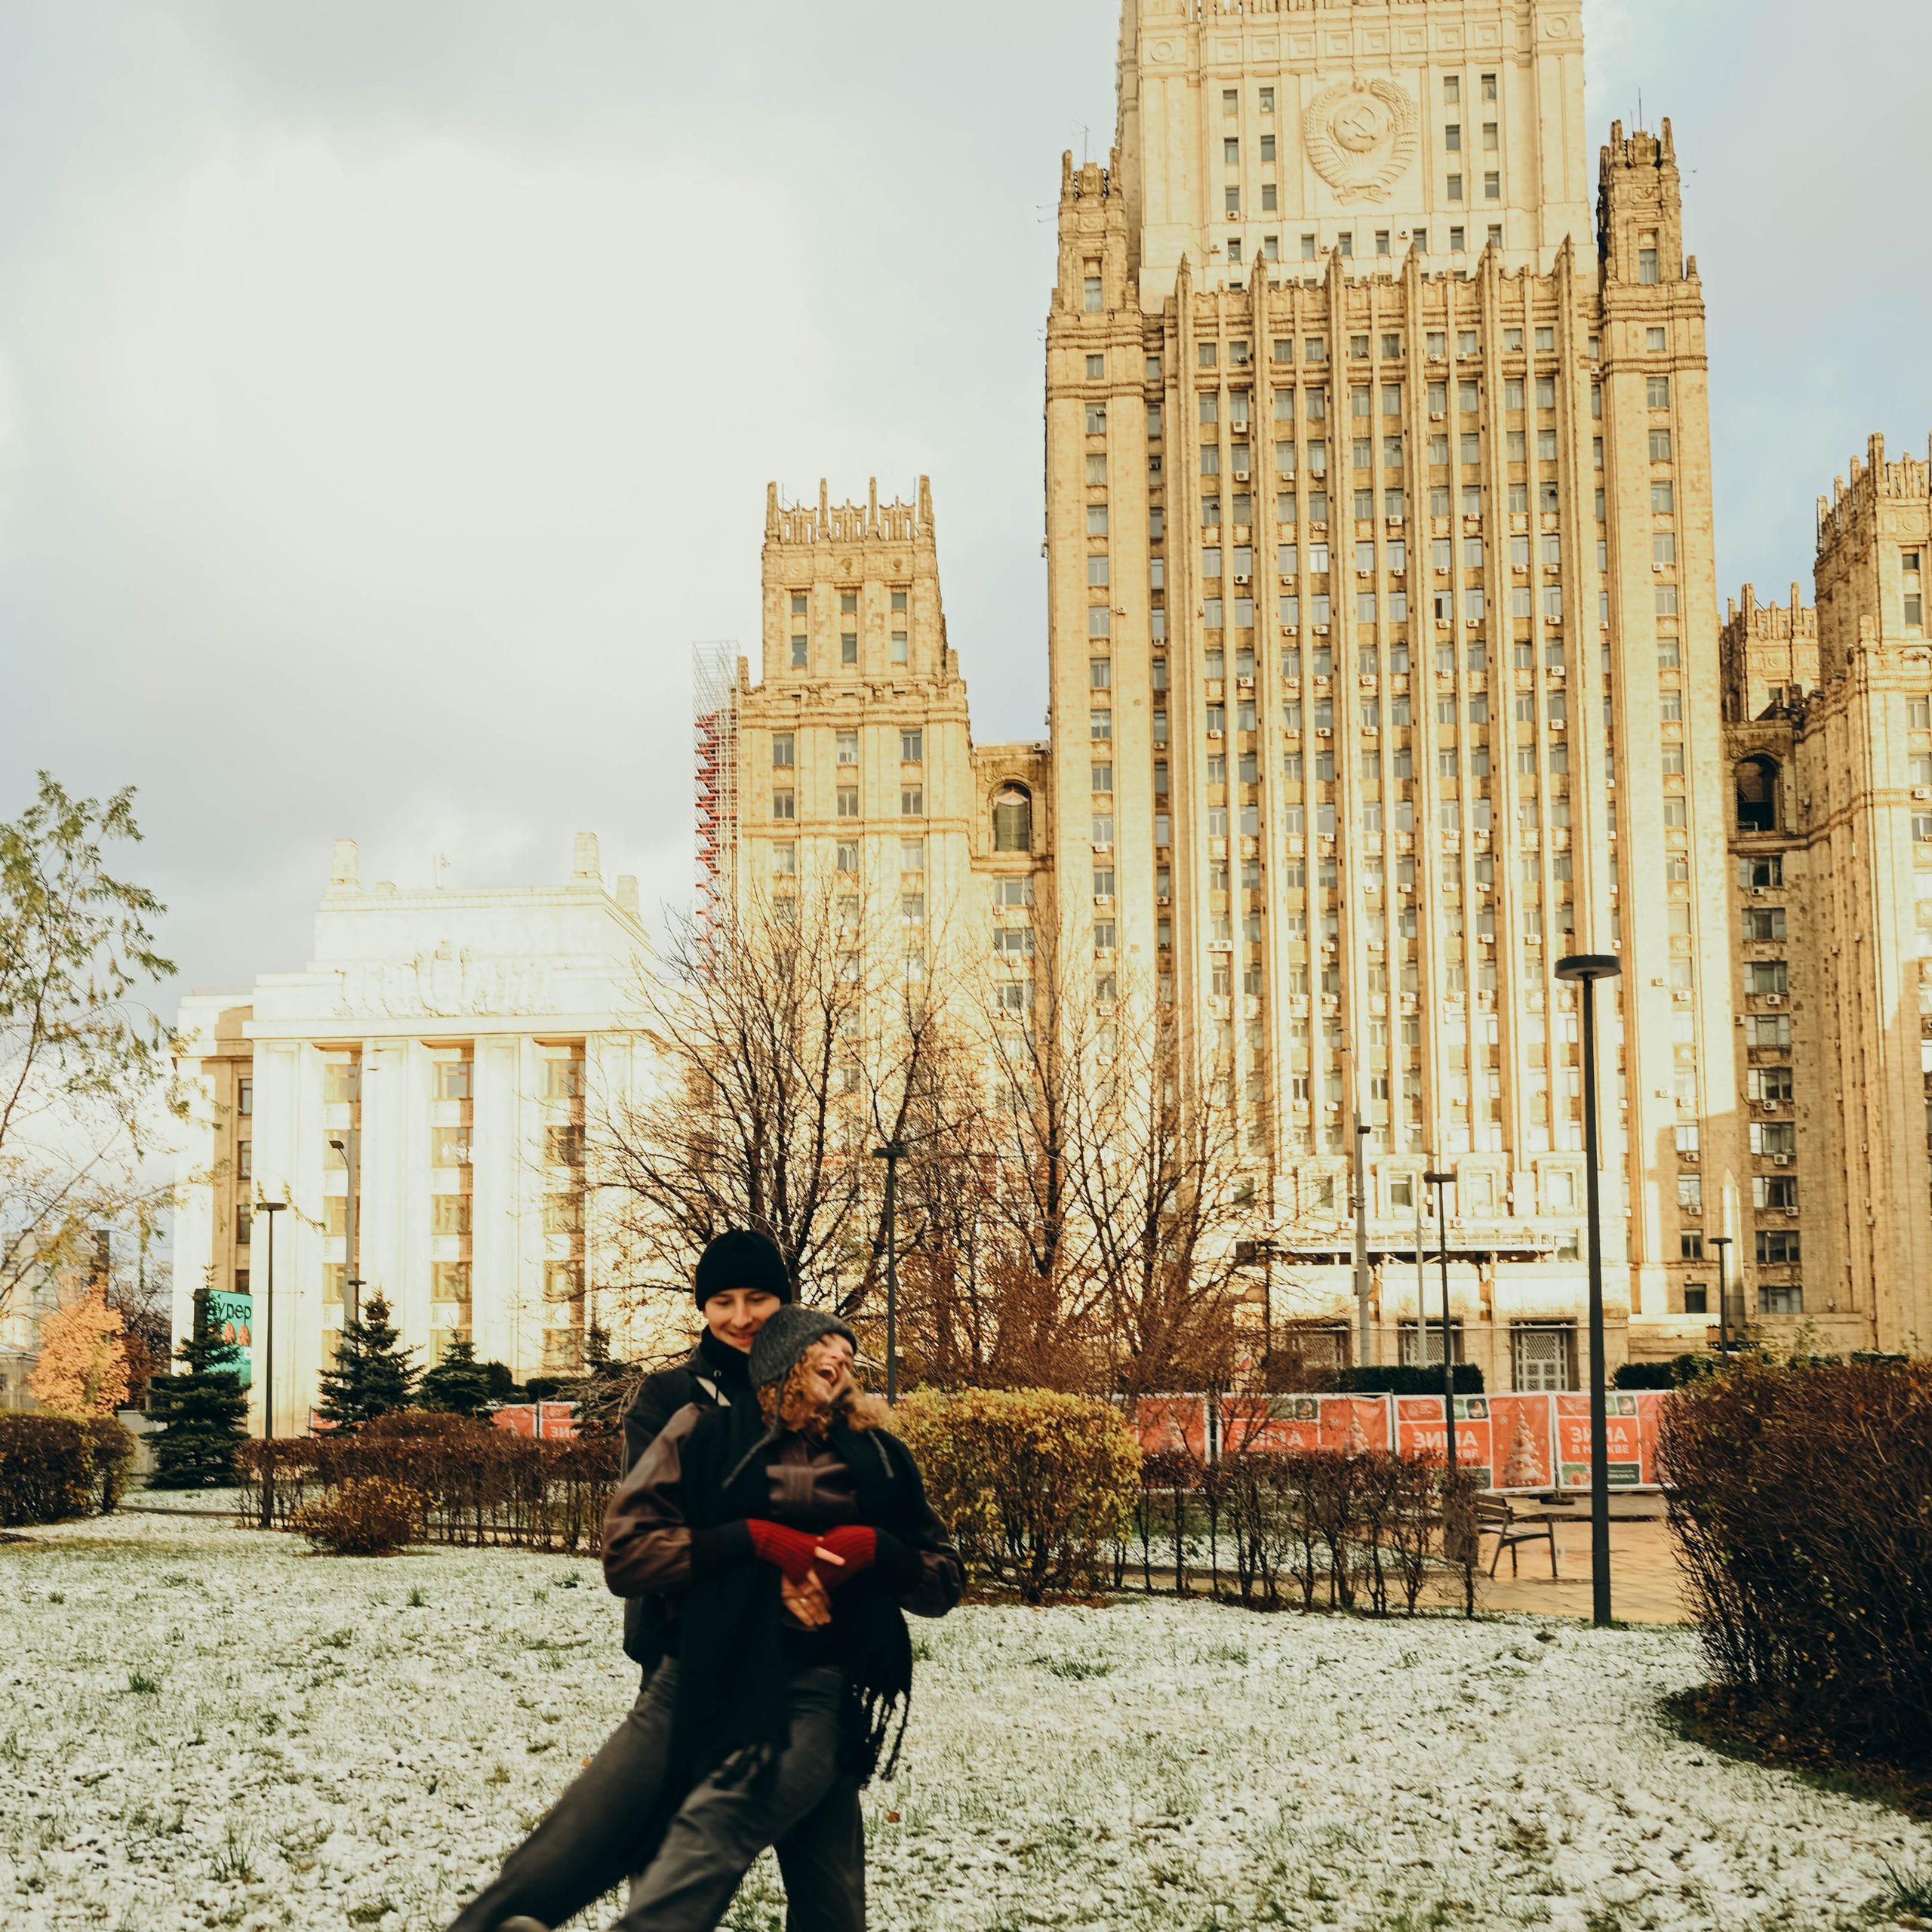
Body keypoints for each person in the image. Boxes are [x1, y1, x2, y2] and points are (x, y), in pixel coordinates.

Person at [448, 1229, 829, 1932]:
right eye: (722, 1300)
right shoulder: (672, 1398)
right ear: (703, 1308)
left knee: (822, 1880)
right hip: (689, 1651)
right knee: (666, 1848)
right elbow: (647, 1538)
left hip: (807, 1669)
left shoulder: (819, 1399)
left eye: (758, 1298)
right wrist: (758, 1544)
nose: (741, 1317)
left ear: (787, 1303)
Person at [593, 1303, 962, 1932]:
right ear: (781, 1366)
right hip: (714, 1675)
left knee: (831, 1900)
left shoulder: (879, 1461)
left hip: (829, 1686)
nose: (840, 1364)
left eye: (848, 1358)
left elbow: (943, 1579)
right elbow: (646, 1555)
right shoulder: (717, 1447)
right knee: (689, 1858)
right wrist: (767, 1566)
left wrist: (881, 1551)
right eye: (824, 1351)